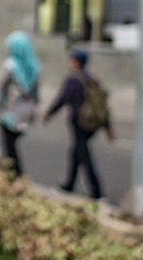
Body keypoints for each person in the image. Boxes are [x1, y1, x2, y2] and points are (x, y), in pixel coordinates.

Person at [44, 49, 114, 199]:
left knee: (84, 154)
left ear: (76, 62)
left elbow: (63, 99)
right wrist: (108, 127)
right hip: (92, 123)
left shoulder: (73, 79)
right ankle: (69, 184)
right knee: (76, 152)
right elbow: (101, 104)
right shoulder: (92, 79)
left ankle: (96, 192)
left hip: (79, 121)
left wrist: (49, 113)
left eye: (71, 59)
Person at [0, 31, 39, 176]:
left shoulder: (10, 65)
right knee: (13, 144)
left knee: (9, 146)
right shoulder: (33, 67)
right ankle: (15, 172)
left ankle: (15, 174)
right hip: (25, 114)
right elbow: (36, 95)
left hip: (9, 112)